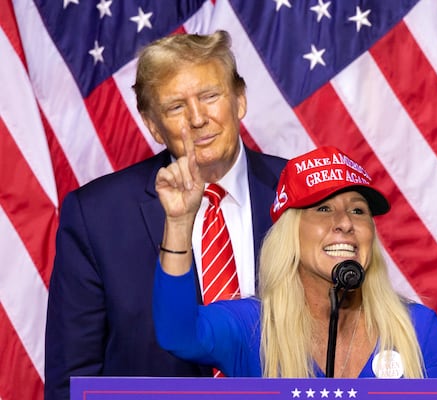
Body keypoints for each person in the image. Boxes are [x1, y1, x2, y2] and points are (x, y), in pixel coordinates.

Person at [44, 31, 287, 399]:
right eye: (176, 107)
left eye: (210, 96)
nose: (197, 118)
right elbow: (73, 378)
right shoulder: (96, 216)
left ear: (239, 100)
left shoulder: (303, 192)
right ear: (153, 125)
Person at [153, 145, 437, 378]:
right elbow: (179, 335)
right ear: (291, 233)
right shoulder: (252, 328)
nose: (345, 223)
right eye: (323, 210)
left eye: (358, 210)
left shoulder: (419, 330)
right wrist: (179, 225)